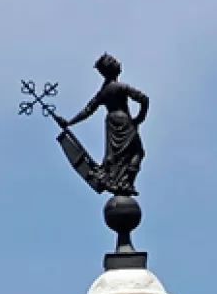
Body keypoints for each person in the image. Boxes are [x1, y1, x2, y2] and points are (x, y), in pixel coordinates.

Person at [55, 54, 149, 194]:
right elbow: (144, 99)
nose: (118, 63)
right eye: (114, 62)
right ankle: (126, 182)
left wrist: (69, 122)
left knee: (117, 156)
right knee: (137, 153)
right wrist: (138, 119)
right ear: (111, 68)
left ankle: (119, 181)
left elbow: (88, 110)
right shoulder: (120, 87)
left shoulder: (103, 92)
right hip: (124, 121)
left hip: (112, 122)